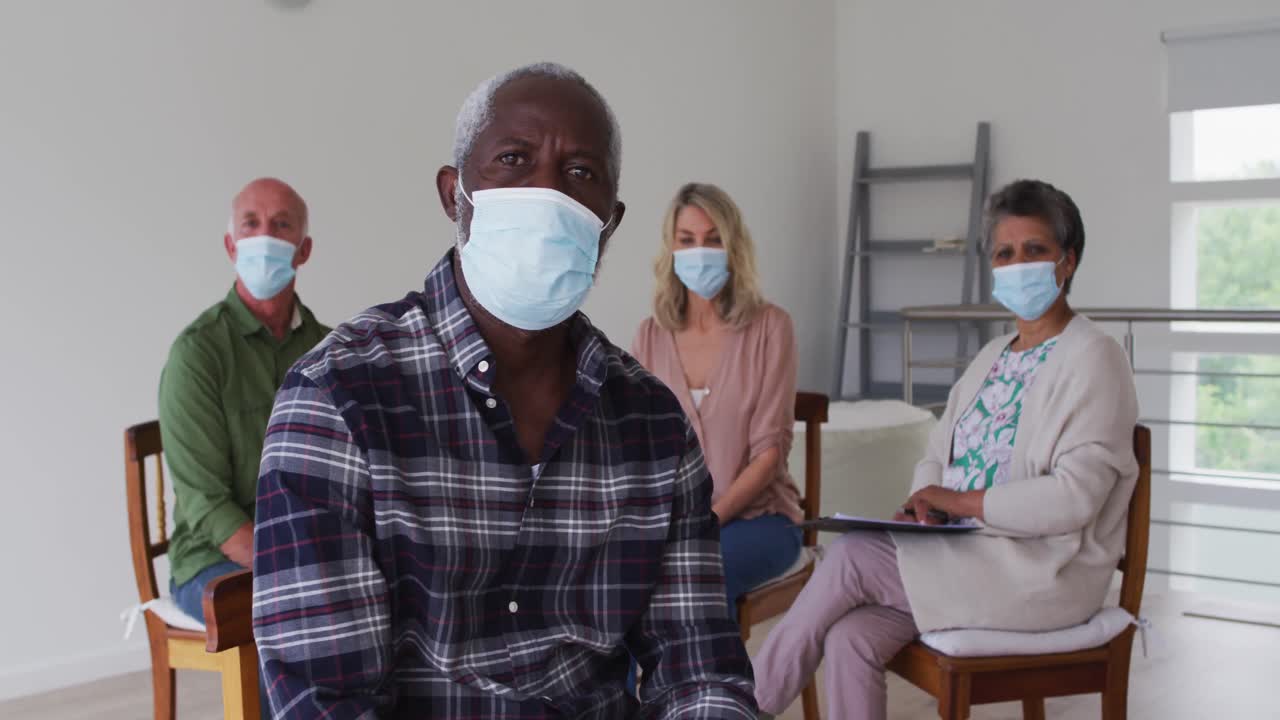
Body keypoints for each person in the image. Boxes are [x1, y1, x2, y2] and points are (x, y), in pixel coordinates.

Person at [251, 63, 756, 719]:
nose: (546, 195)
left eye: (581, 174)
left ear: (610, 218)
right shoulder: (339, 399)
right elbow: (324, 701)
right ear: (453, 194)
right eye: (513, 160)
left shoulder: (652, 426)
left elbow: (700, 672)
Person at [752, 179, 1139, 719]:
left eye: (1035, 250)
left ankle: (739, 710)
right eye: (1004, 253)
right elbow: (936, 455)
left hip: (1041, 572)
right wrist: (923, 507)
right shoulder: (991, 357)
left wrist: (958, 502)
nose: (1017, 264)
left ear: (1067, 261)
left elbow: (1073, 499)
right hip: (962, 559)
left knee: (851, 558)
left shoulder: (1095, 358)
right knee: (851, 636)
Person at [158, 177, 330, 624]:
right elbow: (207, 505)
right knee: (288, 617)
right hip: (214, 560)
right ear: (231, 245)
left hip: (311, 551)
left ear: (304, 249)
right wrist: (293, 571)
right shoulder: (198, 354)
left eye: (281, 224)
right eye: (251, 224)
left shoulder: (330, 351)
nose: (265, 237)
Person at [631, 182, 802, 609]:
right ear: (671, 249)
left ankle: (702, 679)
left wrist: (704, 522)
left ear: (733, 247)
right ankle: (640, 680)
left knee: (696, 573)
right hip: (673, 523)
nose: (700, 251)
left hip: (761, 522)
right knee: (621, 580)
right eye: (687, 240)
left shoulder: (770, 328)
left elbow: (769, 455)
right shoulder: (650, 338)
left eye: (713, 240)